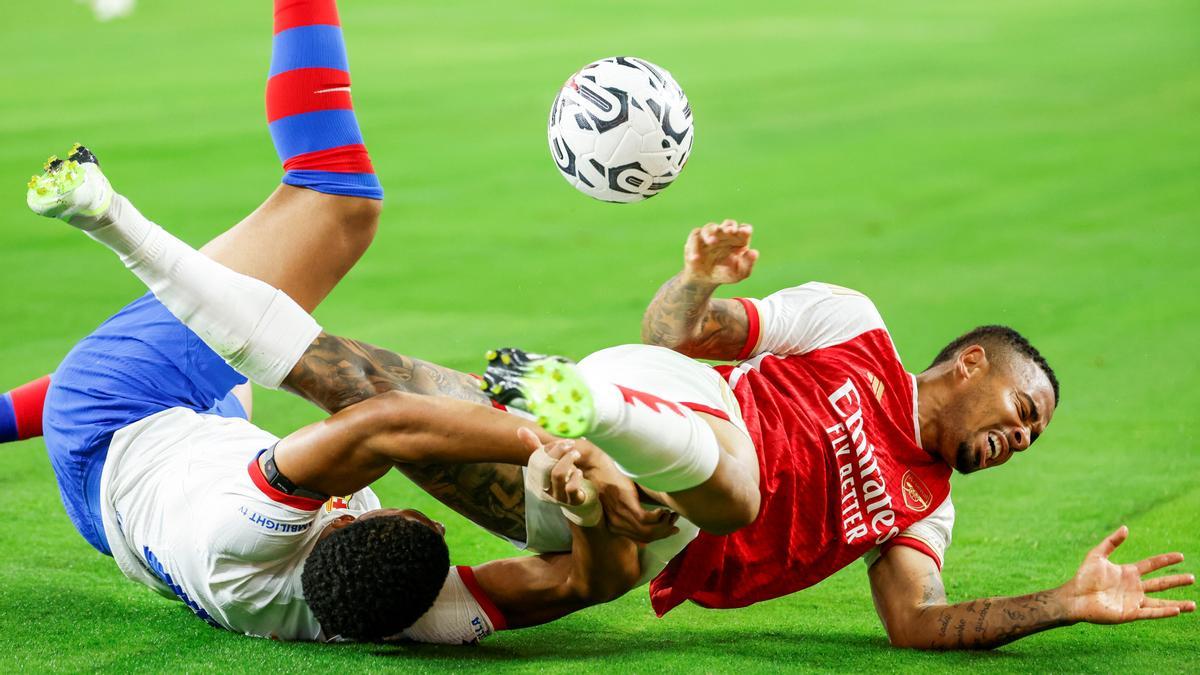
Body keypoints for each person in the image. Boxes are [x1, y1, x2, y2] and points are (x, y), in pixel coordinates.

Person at [17, 0, 656, 644]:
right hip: (120, 498)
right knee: (231, 355)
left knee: (336, 200)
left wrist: (558, 449)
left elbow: (382, 422)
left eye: (419, 518)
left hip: (118, 411)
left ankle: (105, 215)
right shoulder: (391, 607)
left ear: (340, 521)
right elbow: (586, 583)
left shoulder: (247, 529)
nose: (438, 521)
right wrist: (584, 509)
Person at [476, 219, 1195, 648]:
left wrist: (1064, 602)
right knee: (389, 399)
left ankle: (381, 586)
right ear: (972, 363)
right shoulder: (851, 325)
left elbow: (917, 620)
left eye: (1034, 436)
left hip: (670, 535)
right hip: (679, 433)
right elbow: (675, 336)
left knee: (524, 571)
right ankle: (587, 411)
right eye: (1025, 411)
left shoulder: (927, 505)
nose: (1025, 437)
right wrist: (697, 278)